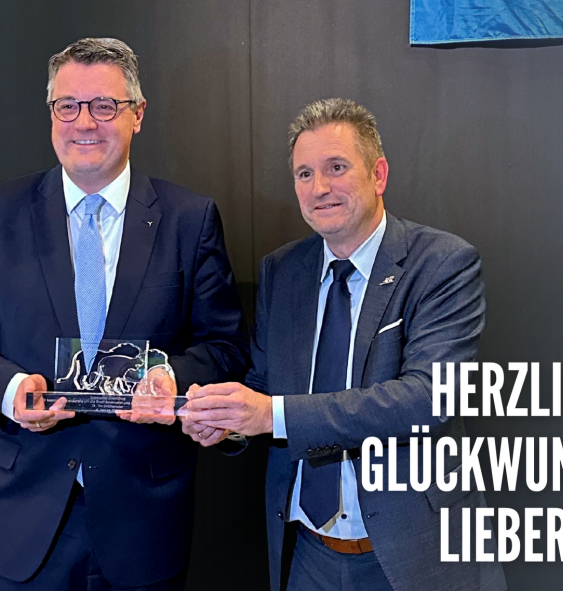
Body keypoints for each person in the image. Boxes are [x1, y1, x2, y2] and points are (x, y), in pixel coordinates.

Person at [0, 37, 248, 591]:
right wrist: (10, 391)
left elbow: (225, 345)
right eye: (67, 105)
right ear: (52, 113)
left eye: (104, 105)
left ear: (137, 114)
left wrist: (170, 380)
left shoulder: (189, 219)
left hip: (143, 520)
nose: (84, 122)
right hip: (22, 518)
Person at [181, 98, 506, 591]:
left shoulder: (441, 263)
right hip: (306, 554)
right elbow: (263, 386)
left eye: (336, 167)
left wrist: (270, 414)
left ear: (378, 175)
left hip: (411, 552)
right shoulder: (282, 271)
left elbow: (428, 397)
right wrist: (225, 422)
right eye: (304, 174)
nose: (320, 188)